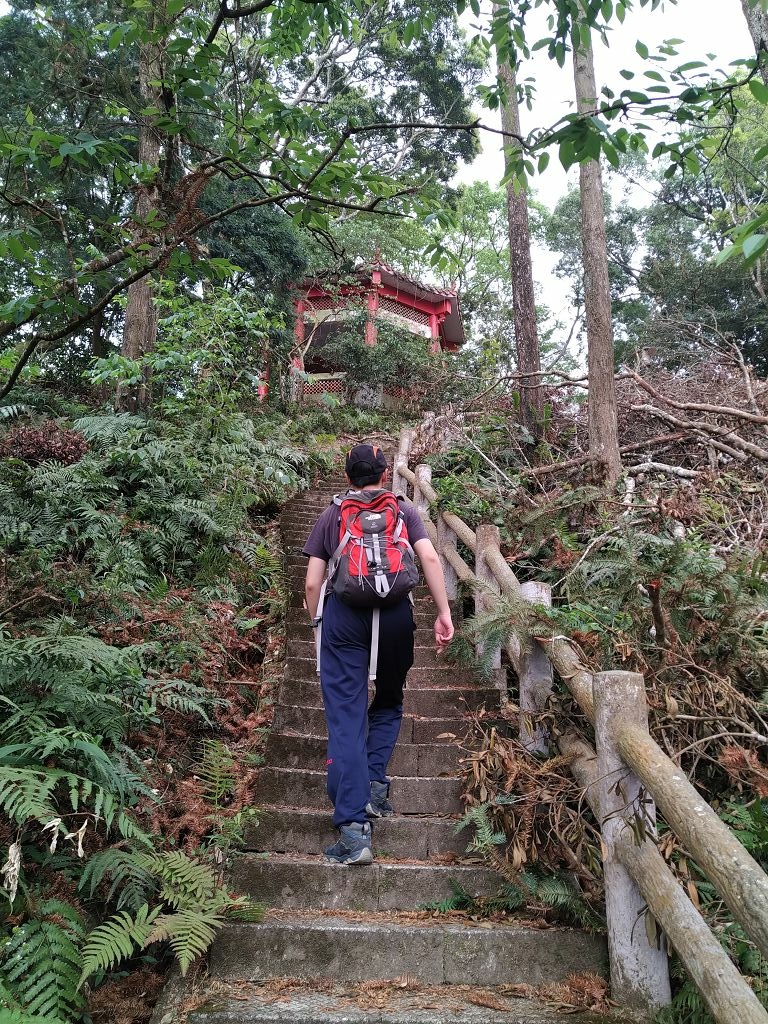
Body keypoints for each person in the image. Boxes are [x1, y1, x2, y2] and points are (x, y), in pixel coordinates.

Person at [303, 443, 455, 866]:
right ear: (385, 474)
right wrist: (443, 612)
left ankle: (353, 830)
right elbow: (427, 555)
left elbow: (314, 584)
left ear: (347, 474)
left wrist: (316, 619)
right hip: (395, 618)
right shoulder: (403, 510)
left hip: (344, 618)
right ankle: (374, 788)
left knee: (347, 715)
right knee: (388, 698)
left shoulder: (332, 514)